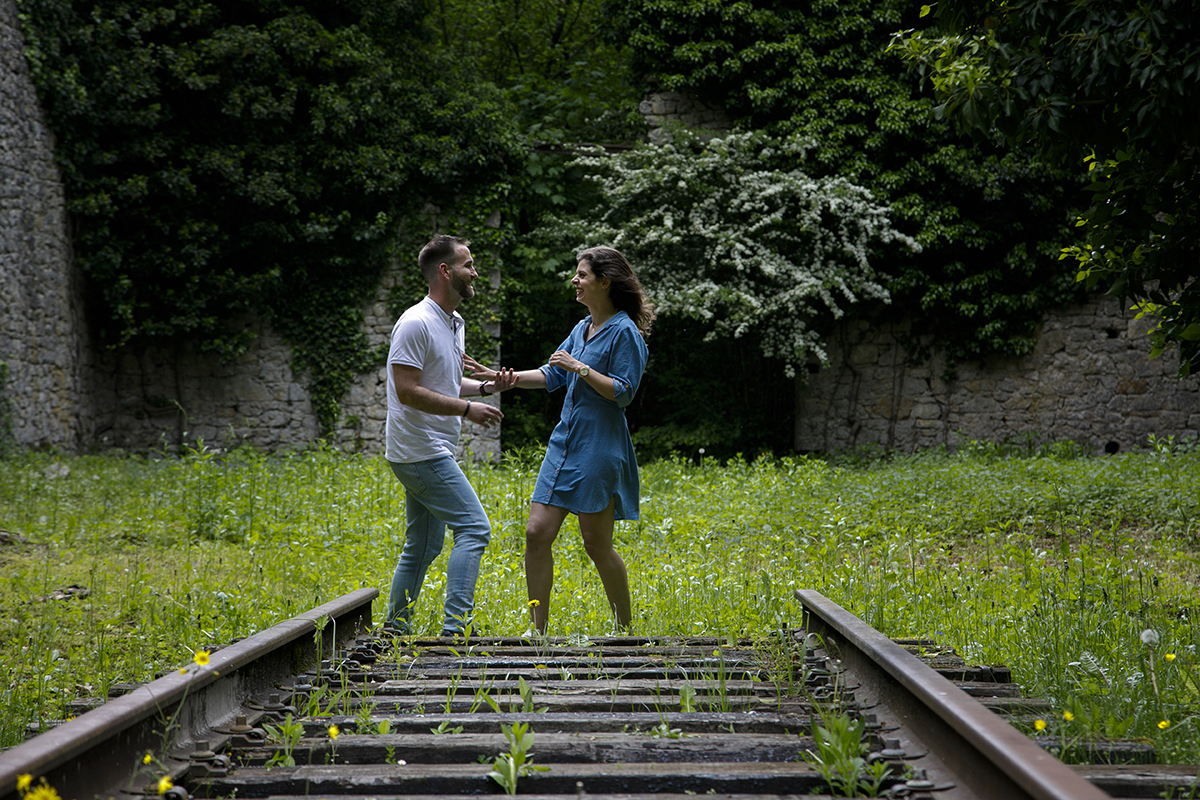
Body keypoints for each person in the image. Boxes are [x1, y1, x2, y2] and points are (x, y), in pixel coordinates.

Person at [466, 246, 653, 634]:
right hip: (564, 443)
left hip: (599, 448)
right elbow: (554, 375)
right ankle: (538, 632)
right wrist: (507, 377)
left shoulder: (625, 332)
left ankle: (624, 631)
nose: (575, 280)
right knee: (536, 533)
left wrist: (579, 366)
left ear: (604, 282)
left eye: (582, 275)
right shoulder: (582, 327)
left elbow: (623, 392)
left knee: (595, 544)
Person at [384, 234, 517, 637]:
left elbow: (442, 382)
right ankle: (454, 632)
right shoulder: (415, 323)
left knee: (422, 545)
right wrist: (467, 410)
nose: (474, 272)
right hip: (419, 449)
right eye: (468, 265)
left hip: (428, 448)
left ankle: (394, 629)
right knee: (475, 529)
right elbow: (407, 391)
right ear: (445, 271)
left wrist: (486, 389)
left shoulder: (453, 322)